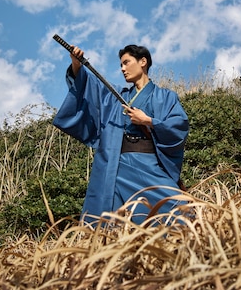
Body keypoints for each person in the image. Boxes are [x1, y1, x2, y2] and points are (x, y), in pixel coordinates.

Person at [53, 43, 189, 225]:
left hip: (148, 164)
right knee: (110, 222)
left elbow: (178, 126)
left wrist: (148, 121)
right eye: (121, 65)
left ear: (143, 62)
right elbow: (89, 86)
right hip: (116, 166)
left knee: (180, 209)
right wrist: (77, 64)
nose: (123, 69)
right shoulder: (115, 95)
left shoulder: (166, 97)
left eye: (126, 62)